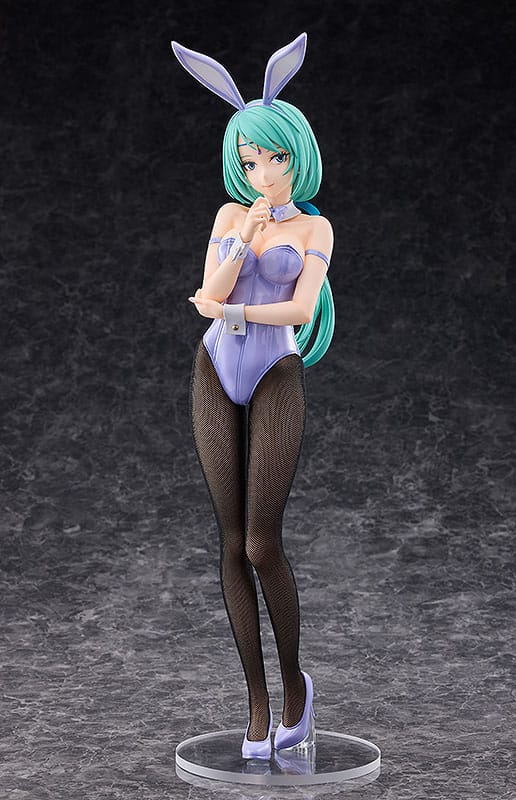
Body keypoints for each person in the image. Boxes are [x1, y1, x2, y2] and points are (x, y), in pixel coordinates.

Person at [171, 33, 334, 760]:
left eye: (274, 159)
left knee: (263, 542)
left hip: (274, 370)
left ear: (297, 155)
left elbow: (299, 308)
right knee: (231, 543)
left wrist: (234, 308)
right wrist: (241, 243)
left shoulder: (315, 226)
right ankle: (258, 702)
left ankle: (296, 686)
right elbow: (206, 295)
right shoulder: (229, 217)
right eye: (248, 161)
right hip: (217, 368)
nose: (261, 173)